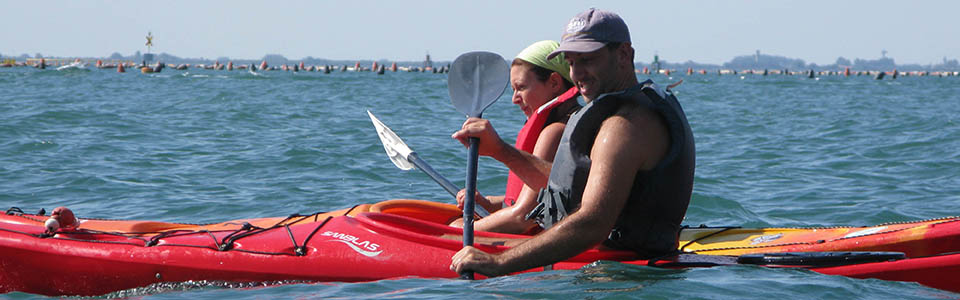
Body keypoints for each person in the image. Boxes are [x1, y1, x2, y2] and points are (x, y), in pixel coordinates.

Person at [450, 8, 695, 277]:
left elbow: (592, 223)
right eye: (571, 62)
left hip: (624, 276)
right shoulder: (625, 114)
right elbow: (568, 189)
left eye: (588, 60)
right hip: (616, 266)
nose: (577, 74)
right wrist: (500, 151)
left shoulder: (624, 127)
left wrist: (499, 263)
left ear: (624, 54)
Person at [450, 40, 581, 234]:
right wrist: (488, 203)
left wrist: (460, 231)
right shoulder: (572, 121)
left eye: (521, 88)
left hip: (538, 243)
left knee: (454, 225)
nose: (514, 99)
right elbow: (538, 201)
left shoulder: (554, 133)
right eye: (513, 90)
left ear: (554, 82)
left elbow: (524, 218)